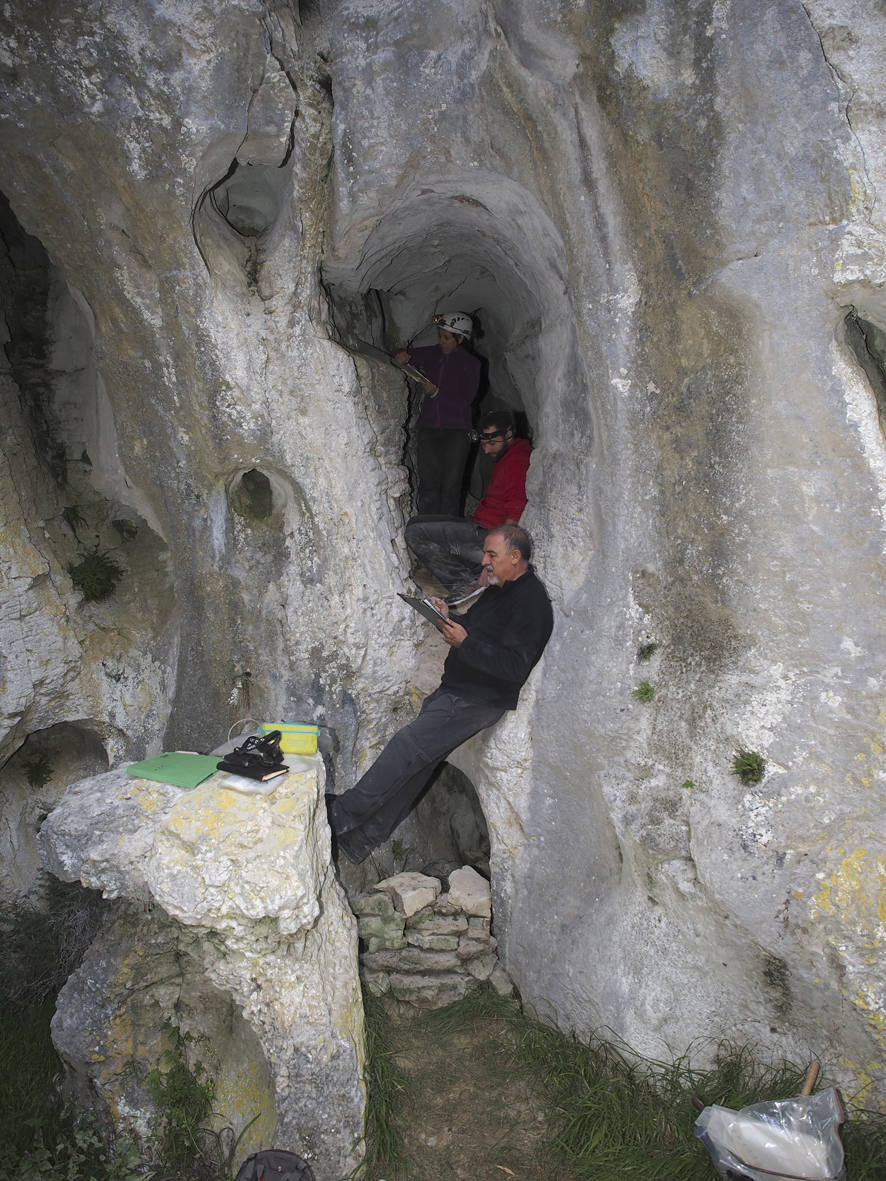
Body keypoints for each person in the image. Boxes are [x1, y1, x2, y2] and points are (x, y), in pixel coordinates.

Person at [327, 524, 553, 864]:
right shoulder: (499, 590)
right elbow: (475, 632)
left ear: (515, 557)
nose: (485, 562)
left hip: (475, 700)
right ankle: (361, 839)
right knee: (419, 766)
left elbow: (514, 667)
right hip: (459, 691)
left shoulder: (532, 603)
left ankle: (344, 813)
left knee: (407, 746)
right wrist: (447, 618)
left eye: (492, 555)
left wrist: (467, 643)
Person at [404, 409, 532, 594]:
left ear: (509, 433)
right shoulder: (509, 456)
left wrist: (494, 561)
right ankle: (471, 572)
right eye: (483, 443)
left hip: (485, 536)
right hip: (478, 527)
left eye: (491, 442)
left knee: (415, 532)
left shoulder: (518, 461)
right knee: (416, 522)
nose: (486, 449)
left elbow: (514, 517)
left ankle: (463, 584)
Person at [395, 311, 481, 515]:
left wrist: (437, 394)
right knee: (429, 482)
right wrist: (402, 355)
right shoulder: (434, 353)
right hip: (430, 428)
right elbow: (401, 353)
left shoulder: (472, 364)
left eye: (446, 337)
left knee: (451, 485)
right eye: (440, 335)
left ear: (460, 339)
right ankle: (426, 528)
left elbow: (466, 399)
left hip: (457, 432)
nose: (441, 341)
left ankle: (449, 532)